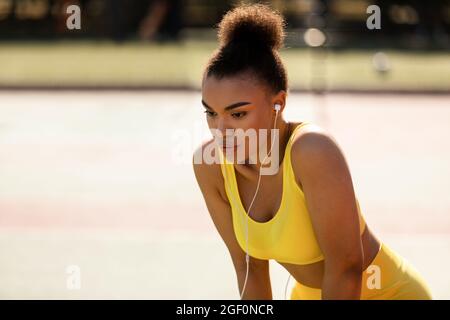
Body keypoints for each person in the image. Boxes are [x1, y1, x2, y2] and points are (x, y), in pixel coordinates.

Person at [193, 3, 432, 300]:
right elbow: (248, 269)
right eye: (211, 114)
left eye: (238, 114)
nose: (221, 130)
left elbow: (346, 266)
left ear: (278, 103)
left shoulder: (312, 151)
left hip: (386, 294)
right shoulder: (210, 166)